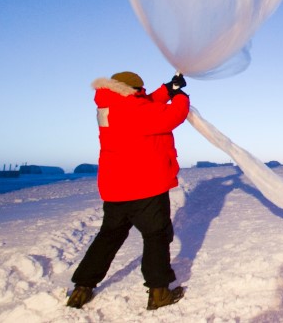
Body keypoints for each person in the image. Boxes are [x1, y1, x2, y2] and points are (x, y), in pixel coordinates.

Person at [66, 71, 190, 311]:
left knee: (108, 237)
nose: (142, 94)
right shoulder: (136, 109)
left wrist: (167, 90)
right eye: (140, 91)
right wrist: (180, 97)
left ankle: (82, 288)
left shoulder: (108, 106)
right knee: (156, 236)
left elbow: (143, 106)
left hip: (116, 188)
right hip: (146, 187)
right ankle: (159, 292)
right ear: (132, 90)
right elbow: (172, 116)